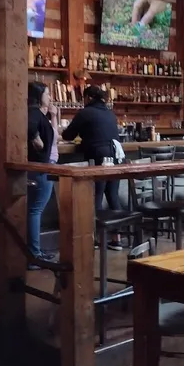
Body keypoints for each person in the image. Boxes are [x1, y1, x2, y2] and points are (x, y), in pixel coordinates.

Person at [62, 85, 124, 250]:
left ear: (88, 97)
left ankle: (94, 238)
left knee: (95, 196)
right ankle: (116, 239)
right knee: (112, 196)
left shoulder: (85, 113)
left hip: (97, 155)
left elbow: (68, 135)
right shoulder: (109, 113)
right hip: (115, 155)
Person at [27, 81, 56, 264]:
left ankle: (34, 253)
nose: (50, 97)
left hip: (38, 167)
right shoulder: (35, 114)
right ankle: (34, 255)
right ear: (39, 97)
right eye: (47, 94)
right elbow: (29, 129)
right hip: (40, 168)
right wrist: (38, 141)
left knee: (34, 210)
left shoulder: (37, 114)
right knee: (35, 210)